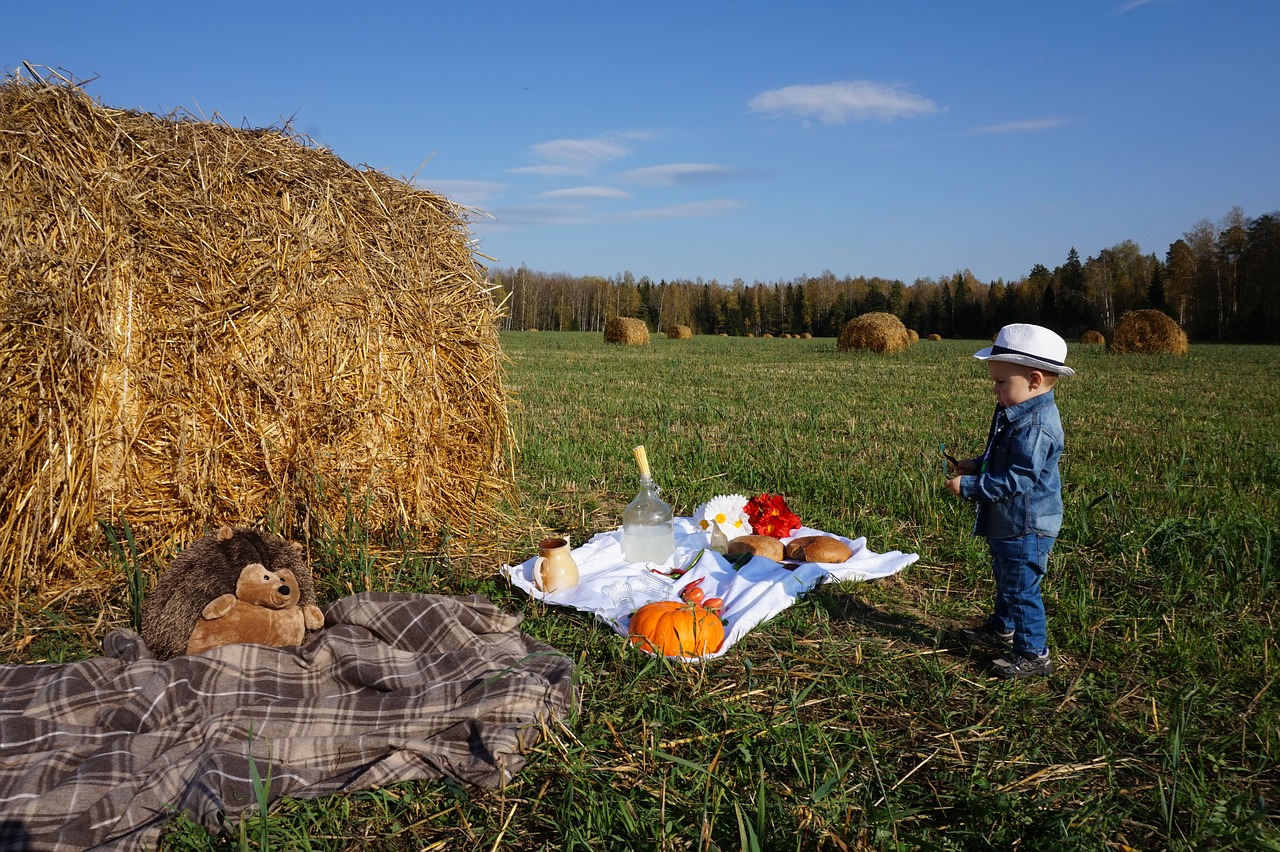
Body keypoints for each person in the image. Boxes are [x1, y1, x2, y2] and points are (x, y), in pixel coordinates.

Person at [946, 323, 1075, 679]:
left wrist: (971, 486)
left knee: (1021, 587)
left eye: (1002, 382)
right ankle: (1002, 628)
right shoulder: (1017, 413)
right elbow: (1005, 460)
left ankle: (1034, 654)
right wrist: (978, 464)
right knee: (1008, 579)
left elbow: (1020, 478)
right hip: (1010, 522)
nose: (995, 389)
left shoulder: (1035, 426)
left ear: (1034, 380)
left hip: (1026, 525)